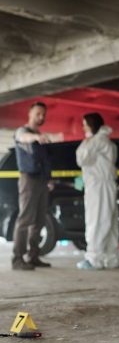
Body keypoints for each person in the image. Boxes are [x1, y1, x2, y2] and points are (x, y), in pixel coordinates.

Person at [12, 101, 62, 270]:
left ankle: (33, 256)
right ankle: (17, 259)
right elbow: (22, 138)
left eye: (43, 114)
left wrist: (49, 179)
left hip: (42, 180)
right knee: (25, 219)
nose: (41, 117)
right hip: (28, 179)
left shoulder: (41, 135)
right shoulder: (23, 131)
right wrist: (35, 137)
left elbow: (44, 160)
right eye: (38, 114)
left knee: (39, 220)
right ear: (30, 113)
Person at [75, 113, 119, 270]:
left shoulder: (96, 141)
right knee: (110, 222)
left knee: (97, 221)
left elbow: (81, 158)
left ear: (91, 125)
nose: (83, 127)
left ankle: (94, 259)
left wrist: (86, 140)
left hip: (98, 186)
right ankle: (110, 258)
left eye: (85, 124)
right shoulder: (106, 140)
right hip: (107, 184)